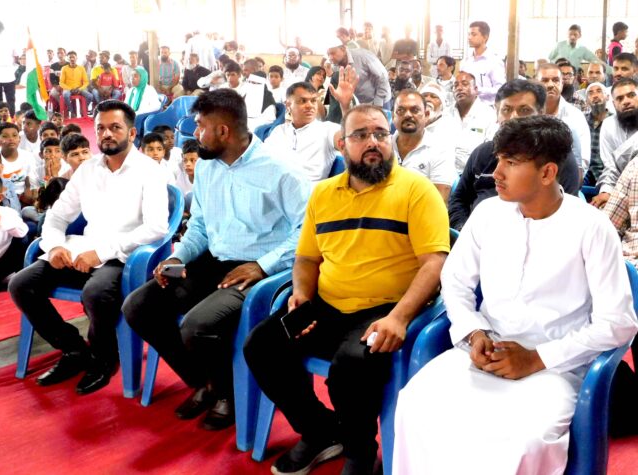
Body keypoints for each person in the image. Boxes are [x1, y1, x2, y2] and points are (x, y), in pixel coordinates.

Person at [393, 114, 638, 475]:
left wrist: (537, 358)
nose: (496, 173)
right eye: (499, 160)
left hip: (557, 368)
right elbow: (455, 281)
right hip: (484, 351)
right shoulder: (488, 214)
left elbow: (618, 324)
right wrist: (474, 333)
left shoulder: (592, 227)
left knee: (522, 438)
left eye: (510, 162)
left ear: (547, 173)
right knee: (415, 404)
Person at [244, 103, 449, 475]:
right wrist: (301, 295)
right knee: (261, 346)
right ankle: (320, 431)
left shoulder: (416, 190)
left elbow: (435, 262)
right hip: (327, 304)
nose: (373, 142)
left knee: (351, 366)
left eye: (380, 134)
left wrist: (399, 317)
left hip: (386, 309)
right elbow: (306, 259)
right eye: (361, 135)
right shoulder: (323, 194)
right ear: (342, 144)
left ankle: (360, 452)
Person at [122, 89, 310, 431]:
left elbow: (308, 232)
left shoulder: (281, 171)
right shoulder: (208, 167)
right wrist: (178, 256)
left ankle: (228, 394)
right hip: (214, 260)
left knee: (198, 326)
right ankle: (206, 382)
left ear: (223, 131)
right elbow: (200, 226)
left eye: (200, 126)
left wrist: (263, 265)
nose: (195, 133)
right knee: (139, 306)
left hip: (260, 272)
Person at [8, 100, 169, 395]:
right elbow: (57, 216)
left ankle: (104, 357)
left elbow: (156, 228)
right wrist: (55, 246)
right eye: (101, 128)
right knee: (21, 284)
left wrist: (103, 253)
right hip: (83, 249)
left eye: (115, 127)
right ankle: (74, 349)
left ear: (132, 133)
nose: (106, 134)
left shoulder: (150, 171)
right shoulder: (88, 169)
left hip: (123, 256)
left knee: (95, 293)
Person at [448, 79, 581, 231]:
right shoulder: (482, 153)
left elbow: (563, 211)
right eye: (506, 110)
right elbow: (459, 199)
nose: (514, 117)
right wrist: (465, 229)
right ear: (497, 113)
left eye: (524, 110)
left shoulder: (556, 156)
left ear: (541, 113)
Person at [265, 73, 355, 183]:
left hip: (309, 191)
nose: (310, 106)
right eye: (302, 101)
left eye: (313, 101)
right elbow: (264, 160)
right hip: (276, 187)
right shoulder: (279, 131)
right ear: (288, 105)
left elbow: (350, 142)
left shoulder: (327, 129)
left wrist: (345, 106)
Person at [392, 90, 456, 203]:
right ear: (393, 116)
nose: (407, 115)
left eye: (415, 110)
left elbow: (439, 201)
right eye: (401, 110)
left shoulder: (440, 150)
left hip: (420, 211)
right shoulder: (382, 146)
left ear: (426, 115)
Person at [536, 63, 591, 176]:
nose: (550, 85)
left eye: (555, 80)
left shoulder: (575, 116)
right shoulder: (529, 114)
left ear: (562, 83)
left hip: (566, 178)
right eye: (544, 80)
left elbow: (583, 161)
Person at [592, 78, 638, 208]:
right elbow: (611, 165)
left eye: (631, 95)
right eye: (620, 98)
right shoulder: (609, 124)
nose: (626, 101)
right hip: (621, 187)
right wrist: (606, 191)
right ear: (613, 103)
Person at [449, 71, 496, 174]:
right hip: (446, 173)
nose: (459, 88)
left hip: (476, 174)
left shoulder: (489, 114)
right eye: (455, 85)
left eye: (465, 84)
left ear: (476, 89)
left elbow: (491, 149)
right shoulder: (446, 113)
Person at [460, 21, 506, 104]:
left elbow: (501, 89)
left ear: (485, 37)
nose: (469, 37)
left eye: (473, 34)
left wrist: (478, 90)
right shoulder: (465, 61)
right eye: (469, 34)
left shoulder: (494, 61)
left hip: (487, 106)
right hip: (467, 106)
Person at [0, 122, 39, 206]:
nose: (11, 139)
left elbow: (31, 179)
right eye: (5, 136)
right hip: (3, 197)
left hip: (23, 197)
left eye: (14, 135)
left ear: (19, 138)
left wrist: (28, 189)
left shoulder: (28, 156)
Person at [0, 178, 28, 283]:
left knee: (23, 237)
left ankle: (7, 274)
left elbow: (22, 231)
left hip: (2, 261)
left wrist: (1, 220)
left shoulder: (8, 213)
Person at [583, 82, 612, 186]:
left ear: (607, 97)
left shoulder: (615, 121)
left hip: (609, 172)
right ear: (587, 101)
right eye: (590, 93)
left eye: (599, 91)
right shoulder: (581, 120)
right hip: (585, 171)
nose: (595, 95)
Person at [60, 51, 93, 118]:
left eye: (73, 57)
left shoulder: (81, 68)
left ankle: (82, 110)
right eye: (70, 57)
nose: (72, 59)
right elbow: (61, 83)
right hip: (68, 88)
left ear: (76, 58)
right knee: (66, 95)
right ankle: (72, 112)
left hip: (79, 88)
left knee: (90, 96)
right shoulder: (64, 68)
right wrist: (70, 89)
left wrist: (80, 89)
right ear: (67, 59)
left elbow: (86, 82)